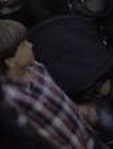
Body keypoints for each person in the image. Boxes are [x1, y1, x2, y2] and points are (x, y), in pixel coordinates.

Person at [0, 18, 99, 149]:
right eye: (23, 45)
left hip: (85, 137)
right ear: (10, 61)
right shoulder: (12, 99)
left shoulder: (36, 67)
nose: (30, 45)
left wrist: (78, 109)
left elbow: (56, 97)